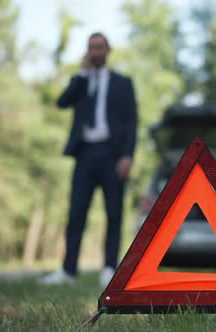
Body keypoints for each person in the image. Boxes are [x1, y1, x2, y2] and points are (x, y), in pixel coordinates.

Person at [41, 32, 137, 286]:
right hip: (85, 154)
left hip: (113, 155)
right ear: (87, 52)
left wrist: (128, 156)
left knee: (114, 212)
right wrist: (82, 74)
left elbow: (131, 123)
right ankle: (68, 271)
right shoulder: (80, 82)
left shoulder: (123, 82)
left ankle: (108, 268)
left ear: (108, 49)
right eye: (91, 47)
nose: (96, 51)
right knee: (76, 212)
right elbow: (62, 102)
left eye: (100, 46)